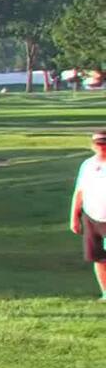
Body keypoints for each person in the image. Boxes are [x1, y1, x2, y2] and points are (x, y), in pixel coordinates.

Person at [70, 128, 106, 302]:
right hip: (91, 217)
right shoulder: (87, 165)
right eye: (99, 144)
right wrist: (74, 217)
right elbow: (79, 192)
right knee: (98, 258)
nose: (102, 148)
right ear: (93, 146)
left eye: (105, 145)